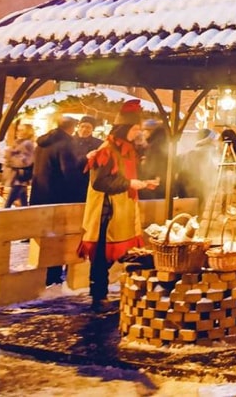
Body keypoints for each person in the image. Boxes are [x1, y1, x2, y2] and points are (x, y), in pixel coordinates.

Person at [78, 100, 157, 312]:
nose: (138, 133)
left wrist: (143, 183)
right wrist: (130, 183)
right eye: (135, 129)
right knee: (102, 255)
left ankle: (122, 291)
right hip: (107, 211)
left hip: (123, 208)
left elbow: (125, 176)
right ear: (125, 128)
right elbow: (100, 182)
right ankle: (98, 296)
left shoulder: (128, 150)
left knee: (122, 253)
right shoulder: (107, 150)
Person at [31, 117, 82, 285]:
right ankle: (53, 275)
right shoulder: (65, 143)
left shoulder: (43, 142)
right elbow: (69, 172)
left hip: (41, 195)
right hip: (59, 196)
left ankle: (42, 273)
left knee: (43, 236)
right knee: (58, 237)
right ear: (72, 128)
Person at [3, 121, 36, 207]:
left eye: (22, 130)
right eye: (18, 130)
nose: (19, 132)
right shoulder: (18, 142)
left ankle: (3, 214)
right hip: (18, 177)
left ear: (27, 132)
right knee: (22, 199)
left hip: (20, 177)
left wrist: (10, 158)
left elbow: (26, 161)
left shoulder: (27, 144)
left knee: (8, 203)